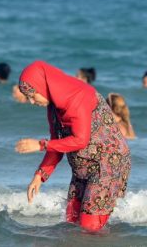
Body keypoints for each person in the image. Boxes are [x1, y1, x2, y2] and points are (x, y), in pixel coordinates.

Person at [15, 61, 131, 232]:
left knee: (89, 227)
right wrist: (40, 175)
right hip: (82, 170)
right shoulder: (53, 107)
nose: (32, 101)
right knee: (71, 221)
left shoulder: (77, 95)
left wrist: (40, 145)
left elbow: (80, 140)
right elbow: (57, 144)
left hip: (106, 166)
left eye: (33, 95)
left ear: (43, 86)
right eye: (28, 97)